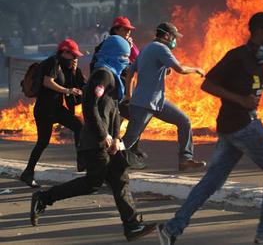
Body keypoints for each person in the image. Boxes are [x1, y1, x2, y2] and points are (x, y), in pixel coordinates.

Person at [156, 12, 263, 245]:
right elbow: (208, 84)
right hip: (242, 124)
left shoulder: (259, 57)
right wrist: (240, 101)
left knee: (212, 181)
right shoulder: (238, 56)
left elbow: (250, 91)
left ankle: (171, 228)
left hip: (233, 127)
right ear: (260, 31)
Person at [29, 35, 156, 241]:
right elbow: (90, 105)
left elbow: (114, 111)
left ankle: (132, 226)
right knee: (92, 183)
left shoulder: (114, 77)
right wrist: (104, 134)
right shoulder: (102, 75)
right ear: (114, 55)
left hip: (106, 141)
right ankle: (44, 198)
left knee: (120, 177)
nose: (126, 61)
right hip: (94, 142)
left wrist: (116, 137)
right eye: (123, 56)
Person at [121, 22, 206, 171]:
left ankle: (185, 159)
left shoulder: (146, 48)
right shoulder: (161, 48)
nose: (175, 41)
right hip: (144, 103)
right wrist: (195, 69)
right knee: (129, 139)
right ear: (166, 36)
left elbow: (130, 73)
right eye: (174, 37)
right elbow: (180, 69)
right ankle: (105, 164)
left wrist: (129, 96)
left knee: (184, 121)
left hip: (157, 102)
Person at [20, 38, 85, 188]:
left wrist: (74, 71)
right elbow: (47, 81)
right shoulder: (52, 62)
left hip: (56, 109)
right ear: (64, 52)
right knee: (43, 143)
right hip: (44, 110)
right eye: (73, 55)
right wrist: (66, 91)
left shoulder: (65, 66)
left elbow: (72, 84)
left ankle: (82, 161)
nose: (75, 58)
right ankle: (28, 173)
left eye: (76, 56)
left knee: (78, 125)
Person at [90, 16, 147, 163]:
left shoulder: (129, 45)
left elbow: (138, 63)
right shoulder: (105, 47)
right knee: (123, 121)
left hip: (124, 92)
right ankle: (119, 153)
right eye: (125, 29)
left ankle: (127, 151)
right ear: (115, 29)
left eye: (129, 30)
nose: (128, 32)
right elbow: (95, 68)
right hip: (111, 92)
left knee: (132, 119)